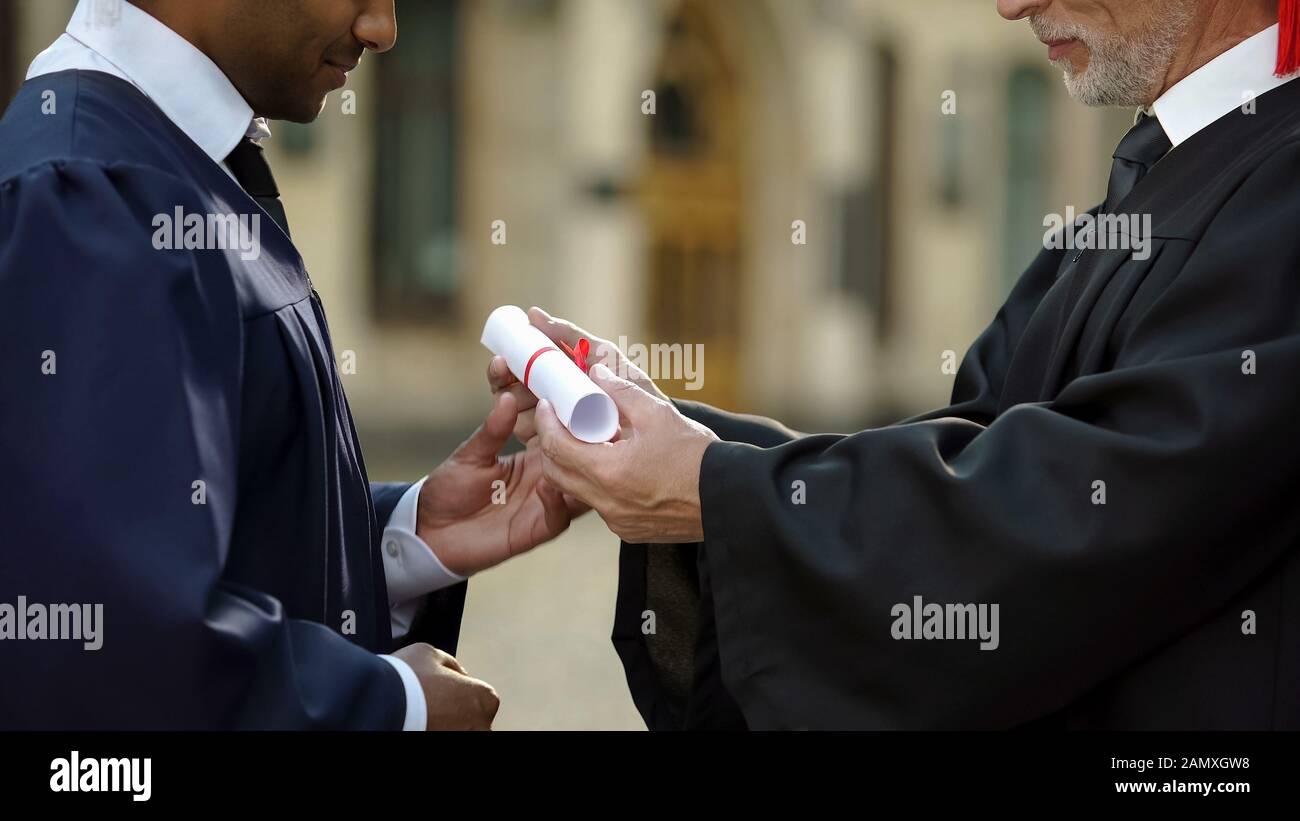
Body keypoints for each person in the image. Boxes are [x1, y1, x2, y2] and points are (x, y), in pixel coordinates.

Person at [491, 0, 1300, 729]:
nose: (1010, 4)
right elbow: (974, 453)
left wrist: (712, 489)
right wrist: (679, 439)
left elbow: (1093, 505)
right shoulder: (1152, 189)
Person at [0, 0, 575, 730]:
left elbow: (172, 532)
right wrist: (392, 707)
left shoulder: (180, 160)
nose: (383, 29)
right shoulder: (87, 199)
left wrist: (400, 537)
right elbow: (103, 656)